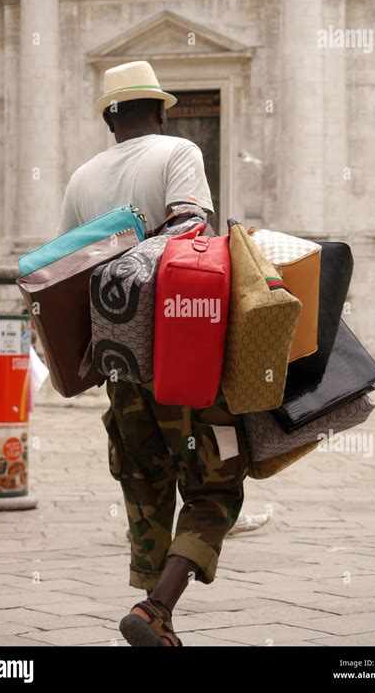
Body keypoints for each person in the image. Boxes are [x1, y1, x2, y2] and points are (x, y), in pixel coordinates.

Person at [58, 61, 249, 646]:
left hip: (119, 364)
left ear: (111, 116)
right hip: (182, 350)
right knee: (216, 484)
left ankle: (151, 606)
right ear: (161, 110)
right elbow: (191, 236)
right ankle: (156, 609)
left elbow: (65, 272)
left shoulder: (81, 179)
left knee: (144, 479)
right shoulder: (178, 152)